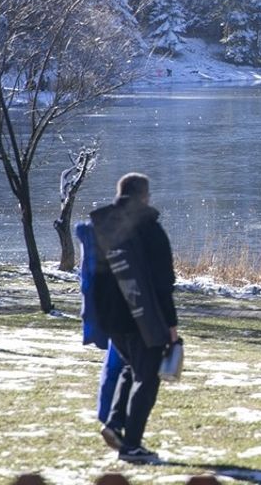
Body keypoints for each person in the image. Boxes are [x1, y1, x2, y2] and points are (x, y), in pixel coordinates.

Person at [91, 173, 179, 464]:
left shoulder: (105, 225)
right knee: (148, 377)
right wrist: (171, 324)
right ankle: (132, 445)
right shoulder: (150, 229)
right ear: (144, 196)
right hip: (142, 316)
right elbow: (163, 281)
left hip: (112, 317)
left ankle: (115, 424)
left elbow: (96, 275)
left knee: (131, 366)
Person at [76, 218, 126, 424]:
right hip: (121, 318)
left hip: (108, 315)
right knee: (123, 367)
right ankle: (112, 420)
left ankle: (107, 415)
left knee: (114, 366)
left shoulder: (93, 256)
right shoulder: (111, 256)